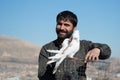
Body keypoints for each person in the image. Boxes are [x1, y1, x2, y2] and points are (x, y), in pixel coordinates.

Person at [38, 10, 111, 80]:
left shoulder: (84, 45)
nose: (62, 28)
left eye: (66, 25)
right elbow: (42, 75)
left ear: (74, 28)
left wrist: (98, 49)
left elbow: (107, 51)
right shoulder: (47, 48)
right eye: (59, 24)